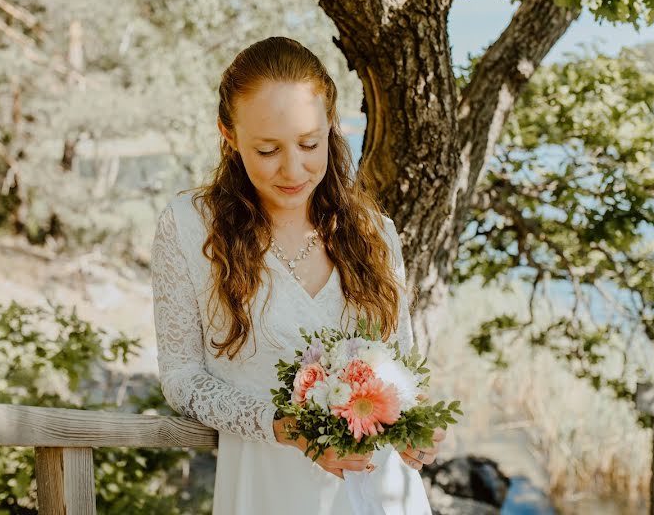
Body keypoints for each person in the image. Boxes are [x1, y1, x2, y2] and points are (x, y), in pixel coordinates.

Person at [151, 36, 446, 514]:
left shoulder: (374, 232)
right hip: (267, 488)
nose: (293, 169)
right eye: (267, 150)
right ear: (229, 134)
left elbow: (401, 365)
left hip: (381, 493)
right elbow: (182, 378)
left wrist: (416, 423)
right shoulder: (189, 227)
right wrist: (282, 427)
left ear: (331, 125)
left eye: (310, 143)